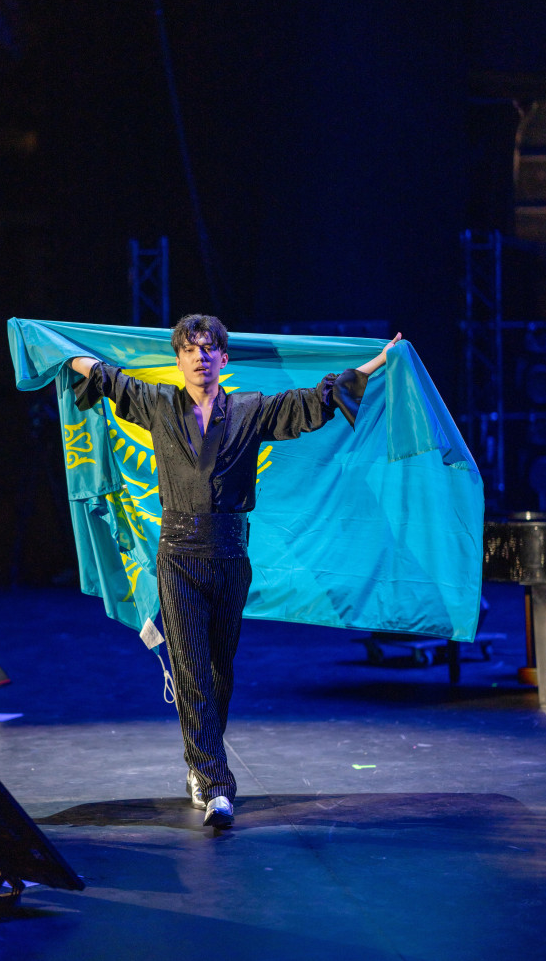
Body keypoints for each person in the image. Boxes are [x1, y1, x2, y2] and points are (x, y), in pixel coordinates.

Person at [70, 314, 401, 829]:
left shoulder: (249, 409)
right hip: (177, 557)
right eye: (190, 350)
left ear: (223, 358)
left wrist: (378, 361)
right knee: (191, 671)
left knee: (219, 671)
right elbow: (108, 377)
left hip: (228, 555)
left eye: (208, 349)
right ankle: (216, 785)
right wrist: (59, 350)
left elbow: (311, 402)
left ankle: (198, 762)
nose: (199, 358)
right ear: (178, 360)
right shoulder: (159, 404)